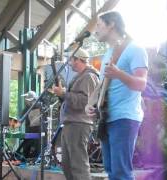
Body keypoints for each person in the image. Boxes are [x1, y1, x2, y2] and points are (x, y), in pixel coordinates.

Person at [85, 11, 148, 180]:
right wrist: (91, 104)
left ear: (111, 24)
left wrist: (119, 74)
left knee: (121, 172)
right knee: (111, 170)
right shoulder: (109, 53)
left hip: (124, 117)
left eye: (99, 25)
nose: (95, 30)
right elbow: (102, 86)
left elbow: (142, 84)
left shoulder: (135, 48)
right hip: (107, 117)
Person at [53, 48, 99, 180]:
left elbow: (85, 102)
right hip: (72, 124)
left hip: (79, 124)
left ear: (79, 60)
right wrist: (63, 95)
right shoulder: (82, 77)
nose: (70, 63)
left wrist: (63, 93)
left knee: (78, 166)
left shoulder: (88, 77)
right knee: (68, 166)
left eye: (72, 60)